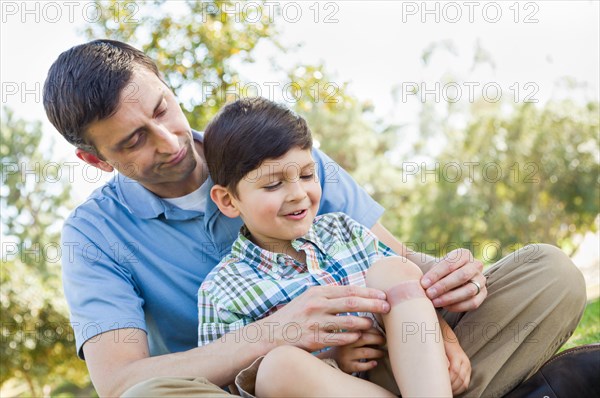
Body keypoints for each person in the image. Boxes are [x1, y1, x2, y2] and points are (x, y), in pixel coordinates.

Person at [42, 39, 586, 397]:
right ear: (94, 159)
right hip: (278, 387)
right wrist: (280, 333)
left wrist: (443, 300)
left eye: (162, 110)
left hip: (387, 358)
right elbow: (119, 381)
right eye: (135, 139)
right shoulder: (94, 235)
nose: (171, 141)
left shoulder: (280, 155)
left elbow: (391, 264)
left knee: (548, 273)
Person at [198, 97, 460, 397]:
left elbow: (411, 298)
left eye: (308, 175)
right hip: (329, 389)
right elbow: (229, 386)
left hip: (411, 372)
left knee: (395, 269)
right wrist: (332, 360)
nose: (298, 193)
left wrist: (446, 338)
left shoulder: (342, 230)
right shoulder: (222, 290)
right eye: (273, 184)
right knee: (278, 366)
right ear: (228, 201)